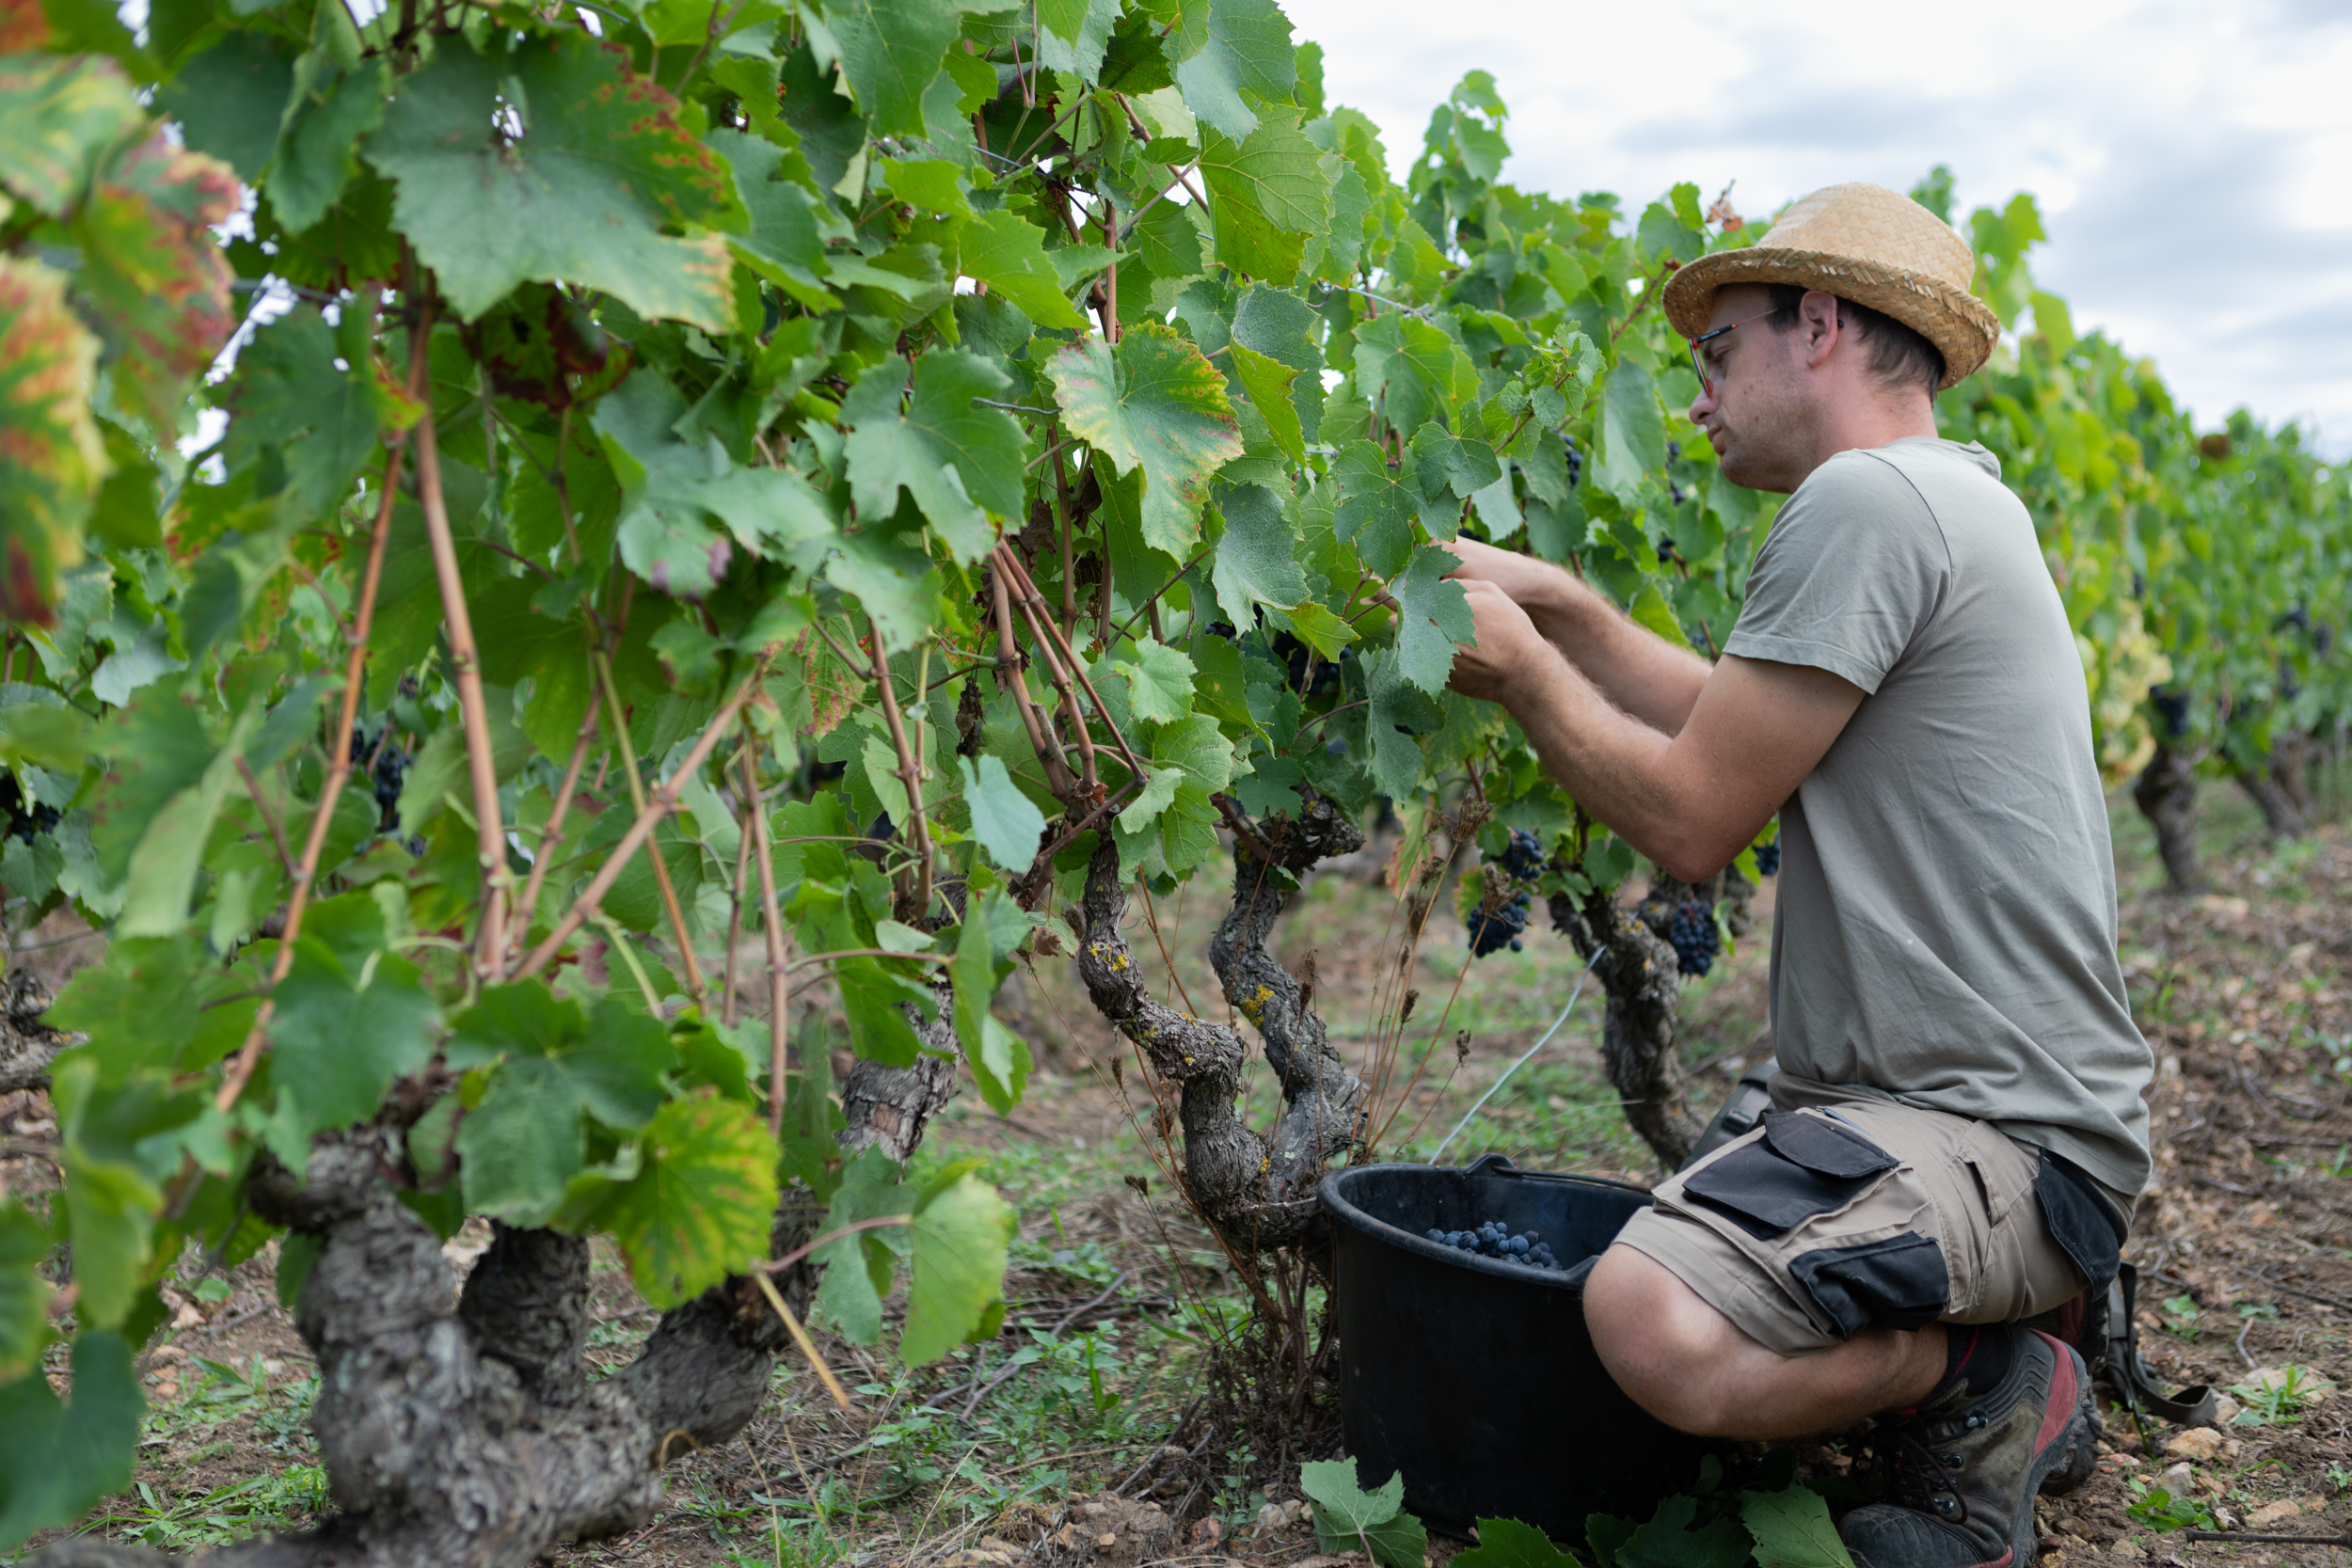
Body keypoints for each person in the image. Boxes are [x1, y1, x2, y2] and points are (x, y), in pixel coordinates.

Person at [1437, 182, 2153, 1568]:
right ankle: (1970, 1337)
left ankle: (1986, 1384)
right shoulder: (1946, 500)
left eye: (1719, 354)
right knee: (1687, 1259)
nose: (1700, 396)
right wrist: (1575, 613)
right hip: (1989, 1133)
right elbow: (1742, 723)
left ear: (1819, 324)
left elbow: (1696, 817)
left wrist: (1522, 670)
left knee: (1651, 1319)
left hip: (2000, 1143)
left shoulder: (1869, 501)